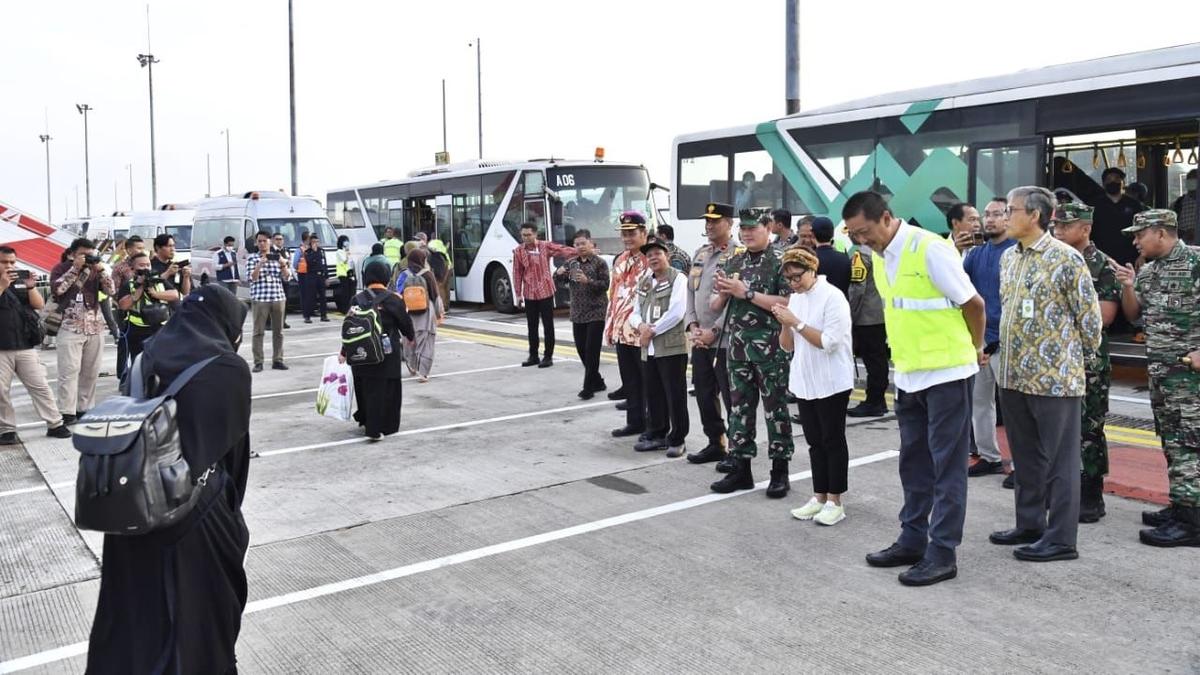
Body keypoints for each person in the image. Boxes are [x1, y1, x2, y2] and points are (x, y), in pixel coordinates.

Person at [85, 284, 252, 675]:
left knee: (135, 614)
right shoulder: (227, 367)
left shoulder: (148, 355)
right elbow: (233, 456)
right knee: (195, 617)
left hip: (133, 506)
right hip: (195, 515)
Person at [845, 191, 986, 587]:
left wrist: (975, 349)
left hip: (946, 373)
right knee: (914, 463)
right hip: (909, 375)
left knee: (947, 468)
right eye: (854, 234)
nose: (861, 240)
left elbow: (973, 304)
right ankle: (912, 539)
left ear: (886, 218)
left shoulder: (930, 249)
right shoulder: (878, 256)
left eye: (865, 231)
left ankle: (942, 553)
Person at [990, 186, 1102, 563]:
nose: (1005, 217)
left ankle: (1061, 539)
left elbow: (1090, 321)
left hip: (1055, 379)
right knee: (1025, 456)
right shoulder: (1009, 258)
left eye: (1011, 210)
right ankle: (1030, 523)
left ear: (1034, 215)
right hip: (1013, 375)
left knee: (1061, 461)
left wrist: (1073, 362)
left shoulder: (1066, 258)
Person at [1113, 209, 1200, 547]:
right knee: (1171, 442)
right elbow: (1134, 316)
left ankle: (1192, 523)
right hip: (1160, 373)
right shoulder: (1148, 271)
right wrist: (1129, 286)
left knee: (1190, 444)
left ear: (1162, 233)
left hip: (1189, 378)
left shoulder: (1194, 263)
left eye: (1140, 234)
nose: (1135, 240)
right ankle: (1181, 506)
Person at [708, 208, 793, 498]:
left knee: (775, 409)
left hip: (771, 347)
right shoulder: (734, 259)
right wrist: (723, 293)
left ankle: (779, 472)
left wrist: (747, 293)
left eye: (752, 228)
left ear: (768, 228)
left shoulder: (782, 261)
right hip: (738, 347)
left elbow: (787, 302)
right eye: (743, 229)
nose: (746, 233)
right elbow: (714, 306)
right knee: (740, 409)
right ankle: (741, 469)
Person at [1051, 202, 1122, 523]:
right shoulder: (1053, 260)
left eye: (1066, 226)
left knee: (1089, 428)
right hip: (1058, 360)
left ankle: (1091, 495)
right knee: (1060, 428)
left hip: (1089, 362)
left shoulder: (1103, 266)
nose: (1059, 232)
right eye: (1057, 226)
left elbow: (1104, 317)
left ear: (1086, 228)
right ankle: (1065, 488)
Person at [772, 248, 853, 526]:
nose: (794, 283)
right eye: (789, 279)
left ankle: (835, 500)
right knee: (814, 442)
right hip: (805, 380)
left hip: (831, 381)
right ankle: (819, 496)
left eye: (798, 276)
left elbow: (829, 342)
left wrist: (796, 322)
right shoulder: (795, 298)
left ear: (812, 270)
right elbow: (787, 345)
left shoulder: (833, 297)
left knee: (833, 440)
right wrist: (785, 323)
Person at [961, 196, 1017, 476]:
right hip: (981, 341)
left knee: (1014, 409)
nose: (990, 219)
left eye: (997, 214)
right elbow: (961, 289)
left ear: (1009, 218)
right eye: (986, 214)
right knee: (980, 403)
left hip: (1007, 342)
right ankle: (989, 456)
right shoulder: (975, 254)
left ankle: (1022, 464)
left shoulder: (1016, 252)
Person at [0, 246, 71, 443]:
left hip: (24, 345)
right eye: (4, 262)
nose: (9, 266)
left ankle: (55, 424)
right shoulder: (5, 282)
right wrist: (2, 285)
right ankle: (7, 430)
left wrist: (30, 287)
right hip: (1, 348)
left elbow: (39, 304)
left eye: (12, 262)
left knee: (40, 386)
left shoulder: (20, 281)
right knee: (1, 392)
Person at [628, 237, 690, 457]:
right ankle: (657, 433)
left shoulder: (678, 278)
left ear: (667, 255)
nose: (653, 257)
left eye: (658, 253)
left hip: (671, 346)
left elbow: (676, 312)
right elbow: (634, 311)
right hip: (649, 347)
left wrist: (650, 330)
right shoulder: (645, 280)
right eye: (649, 254)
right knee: (653, 393)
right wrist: (641, 325)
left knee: (675, 394)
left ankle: (677, 438)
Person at [684, 202, 734, 467]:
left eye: (715, 221)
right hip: (700, 338)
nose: (709, 225)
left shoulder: (738, 254)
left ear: (729, 223)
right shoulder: (701, 253)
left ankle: (737, 448)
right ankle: (716, 442)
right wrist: (692, 326)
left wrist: (714, 331)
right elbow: (691, 292)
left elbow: (735, 301)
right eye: (707, 221)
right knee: (704, 394)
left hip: (724, 340)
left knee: (731, 396)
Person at [342, 261, 416, 440]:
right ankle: (381, 427)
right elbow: (406, 325)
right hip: (386, 353)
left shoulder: (356, 299)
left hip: (360, 352)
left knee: (366, 387)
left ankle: (368, 421)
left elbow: (350, 327)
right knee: (386, 389)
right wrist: (411, 338)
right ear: (385, 276)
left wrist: (344, 351)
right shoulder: (393, 299)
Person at [51, 238, 115, 424]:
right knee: (69, 371)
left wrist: (102, 270)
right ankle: (67, 411)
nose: (88, 258)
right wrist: (75, 268)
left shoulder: (96, 270)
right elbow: (59, 289)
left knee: (91, 372)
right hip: (69, 327)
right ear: (73, 253)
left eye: (91, 254)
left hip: (94, 327)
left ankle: (85, 408)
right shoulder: (61, 268)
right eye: (84, 254)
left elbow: (111, 291)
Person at [606, 212, 650, 437]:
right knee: (630, 380)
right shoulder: (621, 259)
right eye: (624, 233)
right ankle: (635, 421)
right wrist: (610, 327)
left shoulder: (652, 258)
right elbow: (613, 295)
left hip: (642, 332)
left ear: (644, 232)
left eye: (632, 233)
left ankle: (654, 425)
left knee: (649, 382)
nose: (627, 238)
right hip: (623, 332)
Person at [512, 222, 576, 368]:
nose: (526, 238)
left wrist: (581, 251)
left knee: (548, 325)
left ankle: (548, 356)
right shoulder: (518, 251)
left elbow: (562, 250)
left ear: (535, 234)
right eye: (523, 235)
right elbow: (517, 272)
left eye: (529, 235)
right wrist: (518, 293)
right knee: (531, 326)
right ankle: (533, 355)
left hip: (546, 291)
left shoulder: (544, 246)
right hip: (529, 293)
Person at [556, 229, 609, 399]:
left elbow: (605, 285)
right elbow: (560, 280)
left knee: (592, 350)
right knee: (581, 349)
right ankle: (598, 380)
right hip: (578, 311)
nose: (580, 247)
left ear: (590, 243)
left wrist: (589, 281)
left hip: (596, 311)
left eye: (583, 243)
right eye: (577, 244)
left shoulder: (599, 263)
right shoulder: (571, 263)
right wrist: (558, 274)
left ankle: (588, 388)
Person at [845, 229, 891, 418]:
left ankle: (874, 401)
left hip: (866, 317)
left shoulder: (861, 255)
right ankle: (877, 399)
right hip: (882, 313)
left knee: (873, 361)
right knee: (879, 359)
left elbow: (857, 289)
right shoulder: (883, 253)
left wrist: (850, 315)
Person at [116, 251, 179, 363]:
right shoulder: (129, 285)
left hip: (160, 328)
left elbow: (174, 295)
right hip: (138, 330)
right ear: (132, 269)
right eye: (141, 265)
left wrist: (156, 294)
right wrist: (139, 287)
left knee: (162, 360)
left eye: (148, 265)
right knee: (140, 361)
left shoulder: (158, 280)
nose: (146, 268)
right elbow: (123, 306)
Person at [246, 230, 291, 372]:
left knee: (279, 332)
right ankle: (258, 362)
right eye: (259, 241)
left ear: (270, 241)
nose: (261, 243)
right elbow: (251, 278)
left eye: (264, 241)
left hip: (278, 297)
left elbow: (287, 277)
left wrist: (283, 264)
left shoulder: (278, 257)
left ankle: (278, 360)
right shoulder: (252, 258)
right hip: (260, 299)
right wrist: (260, 264)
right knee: (258, 331)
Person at [400, 248, 443, 382]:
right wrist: (439, 313)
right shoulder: (428, 274)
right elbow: (435, 296)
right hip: (425, 313)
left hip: (408, 314)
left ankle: (412, 365)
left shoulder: (403, 274)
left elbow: (398, 292)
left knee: (409, 341)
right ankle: (423, 372)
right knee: (426, 343)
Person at [1090, 167, 1144, 266]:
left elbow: (1143, 230)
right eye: (1109, 179)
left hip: (1130, 258)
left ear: (1123, 183)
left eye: (1116, 179)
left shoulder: (1134, 205)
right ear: (1103, 183)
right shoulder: (1094, 205)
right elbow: (1087, 231)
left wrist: (1142, 256)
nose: (1113, 182)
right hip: (1101, 258)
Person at [110, 236, 145, 381]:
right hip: (124, 310)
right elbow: (115, 291)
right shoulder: (120, 268)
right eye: (138, 248)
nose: (141, 251)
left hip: (144, 312)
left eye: (143, 248)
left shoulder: (145, 265)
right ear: (129, 249)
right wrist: (129, 299)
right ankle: (123, 377)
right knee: (125, 344)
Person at [810, 216, 850, 297]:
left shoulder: (809, 260)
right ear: (833, 234)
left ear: (812, 234)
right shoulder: (845, 259)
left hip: (818, 307)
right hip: (841, 306)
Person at [149, 233, 192, 300]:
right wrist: (168, 273)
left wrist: (186, 277)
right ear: (158, 247)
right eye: (169, 246)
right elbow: (152, 286)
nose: (172, 249)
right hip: (158, 305)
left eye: (173, 246)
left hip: (176, 306)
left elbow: (185, 292)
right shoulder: (150, 265)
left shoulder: (176, 266)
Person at [299, 234, 329, 323]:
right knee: (310, 297)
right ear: (310, 243)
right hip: (311, 276)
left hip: (321, 276)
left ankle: (324, 315)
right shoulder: (308, 252)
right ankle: (307, 316)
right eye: (314, 242)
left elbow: (324, 264)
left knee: (323, 296)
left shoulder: (322, 251)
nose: (316, 244)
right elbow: (309, 261)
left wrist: (326, 277)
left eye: (317, 242)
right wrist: (314, 251)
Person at [270, 232, 292, 330]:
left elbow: (288, 263)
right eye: (277, 239)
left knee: (284, 301)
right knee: (273, 302)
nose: (279, 241)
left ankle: (283, 321)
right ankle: (271, 322)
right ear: (273, 240)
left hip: (285, 278)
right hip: (275, 279)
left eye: (281, 239)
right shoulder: (270, 251)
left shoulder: (286, 250)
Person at [1172, 168, 1198, 244]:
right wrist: (1184, 233)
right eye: (1190, 180)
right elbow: (1169, 229)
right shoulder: (1178, 204)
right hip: (1185, 249)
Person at [428, 236, 452, 314]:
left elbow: (436, 263)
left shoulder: (431, 245)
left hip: (441, 267)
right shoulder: (441, 246)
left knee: (440, 286)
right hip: (449, 266)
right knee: (446, 287)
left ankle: (442, 307)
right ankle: (446, 305)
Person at [333, 235, 355, 314]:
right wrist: (347, 253)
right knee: (344, 292)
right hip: (342, 274)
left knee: (350, 292)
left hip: (348, 273)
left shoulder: (346, 251)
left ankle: (349, 307)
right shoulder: (339, 252)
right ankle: (344, 308)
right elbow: (345, 261)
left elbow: (350, 262)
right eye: (345, 241)